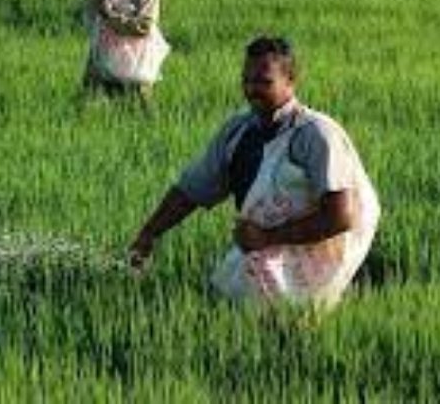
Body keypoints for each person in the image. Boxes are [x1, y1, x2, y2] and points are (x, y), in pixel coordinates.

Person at [128, 36, 381, 308]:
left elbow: (341, 216)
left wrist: (267, 238)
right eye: (246, 80)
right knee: (227, 299)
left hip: (322, 244)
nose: (252, 89)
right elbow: (192, 189)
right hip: (261, 239)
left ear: (291, 81)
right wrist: (148, 234)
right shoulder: (239, 131)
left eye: (264, 81)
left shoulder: (316, 135)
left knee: (290, 315)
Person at [75, 0, 167, 103]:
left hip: (136, 64)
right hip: (100, 61)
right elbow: (89, 21)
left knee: (139, 109)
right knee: (87, 106)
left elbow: (143, 27)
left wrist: (109, 16)